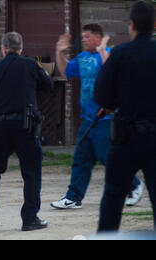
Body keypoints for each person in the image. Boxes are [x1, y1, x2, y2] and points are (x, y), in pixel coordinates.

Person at [51, 24, 143, 210]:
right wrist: (59, 53)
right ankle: (73, 197)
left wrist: (102, 51)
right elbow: (66, 72)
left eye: (87, 36)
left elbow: (114, 71)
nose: (83, 39)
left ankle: (134, 185)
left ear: (98, 38)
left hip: (106, 118)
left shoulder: (109, 54)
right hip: (88, 119)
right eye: (82, 36)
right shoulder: (83, 57)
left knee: (108, 157)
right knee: (81, 158)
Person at [0, 32, 53, 231]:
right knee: (31, 172)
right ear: (21, 48)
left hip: (0, 128)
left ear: (4, 49)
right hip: (25, 127)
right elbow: (49, 85)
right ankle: (29, 219)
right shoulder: (30, 65)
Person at [94, 1, 156, 232]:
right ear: (154, 25)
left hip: (125, 138)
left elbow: (101, 95)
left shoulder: (119, 54)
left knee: (113, 197)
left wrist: (114, 103)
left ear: (131, 25)